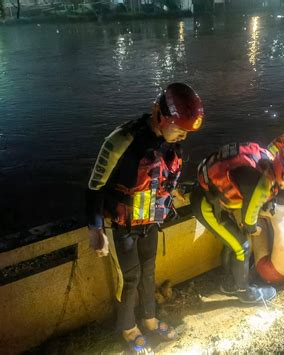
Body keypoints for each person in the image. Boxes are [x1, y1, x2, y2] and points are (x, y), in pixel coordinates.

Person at [86, 83, 204, 353]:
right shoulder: (122, 140)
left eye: (187, 132)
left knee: (149, 273)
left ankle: (150, 320)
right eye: (179, 129)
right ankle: (127, 327)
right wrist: (95, 229)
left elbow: (164, 177)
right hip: (124, 224)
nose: (183, 136)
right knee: (131, 278)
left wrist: (174, 194)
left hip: (151, 220)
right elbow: (94, 187)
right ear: (159, 114)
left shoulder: (172, 143)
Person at [191, 141, 284, 303]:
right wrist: (254, 228)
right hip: (206, 206)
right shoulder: (261, 185)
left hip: (209, 193)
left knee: (234, 241)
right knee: (242, 247)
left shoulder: (266, 158)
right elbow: (249, 220)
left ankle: (230, 281)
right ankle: (244, 292)